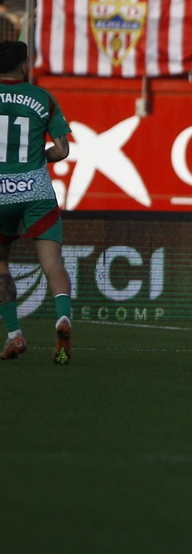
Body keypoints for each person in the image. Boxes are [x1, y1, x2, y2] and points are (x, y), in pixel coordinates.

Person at [0, 40, 75, 364]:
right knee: (53, 263)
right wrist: (37, 156)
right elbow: (61, 150)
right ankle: (62, 318)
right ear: (24, 65)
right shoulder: (42, 97)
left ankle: (14, 334)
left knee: (1, 266)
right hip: (36, 190)